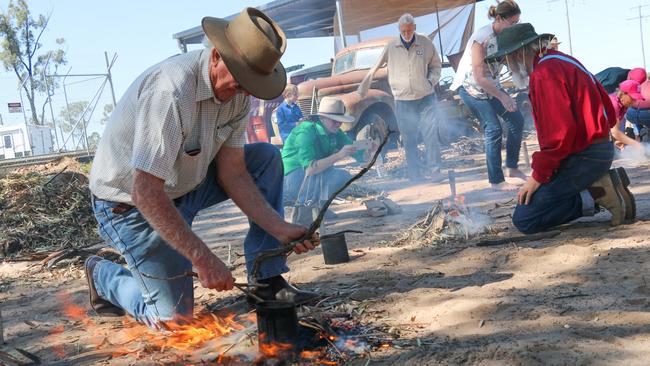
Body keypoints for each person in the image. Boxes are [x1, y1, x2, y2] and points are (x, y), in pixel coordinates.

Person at [84, 8, 320, 329]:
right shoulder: (171, 91)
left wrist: (279, 228)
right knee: (172, 322)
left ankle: (267, 280)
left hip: (184, 188)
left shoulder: (238, 93)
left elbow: (234, 173)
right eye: (242, 81)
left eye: (253, 83)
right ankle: (103, 275)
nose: (246, 92)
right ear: (215, 58)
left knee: (264, 157)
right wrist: (203, 256)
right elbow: (146, 191)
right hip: (130, 206)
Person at [484, 23, 635, 234]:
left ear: (518, 54)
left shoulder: (544, 73)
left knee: (526, 218)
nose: (509, 67)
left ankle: (597, 193)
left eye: (507, 60)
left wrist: (538, 176)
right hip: (598, 150)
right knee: (537, 200)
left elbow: (559, 136)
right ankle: (598, 188)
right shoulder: (563, 60)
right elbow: (608, 112)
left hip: (585, 157)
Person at [450, 0, 527, 191]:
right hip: (471, 87)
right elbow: (479, 76)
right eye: (512, 23)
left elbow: (513, 65)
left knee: (516, 119)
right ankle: (496, 180)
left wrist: (527, 83)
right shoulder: (482, 38)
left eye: (517, 23)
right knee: (493, 128)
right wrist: (502, 96)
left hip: (491, 85)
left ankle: (512, 167)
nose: (514, 27)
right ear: (499, 19)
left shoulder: (507, 37)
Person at [358, 13, 443, 182]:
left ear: (415, 28)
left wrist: (430, 81)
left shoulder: (425, 43)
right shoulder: (391, 46)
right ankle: (415, 174)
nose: (406, 34)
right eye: (403, 31)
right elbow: (375, 67)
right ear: (399, 30)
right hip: (403, 100)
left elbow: (436, 65)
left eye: (409, 30)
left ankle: (435, 171)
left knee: (430, 134)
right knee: (409, 137)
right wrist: (362, 90)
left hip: (425, 96)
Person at [281, 97, 368, 225]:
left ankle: (320, 207)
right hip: (292, 179)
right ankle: (307, 211)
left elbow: (359, 154)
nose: (338, 124)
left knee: (342, 177)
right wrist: (339, 155)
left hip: (311, 176)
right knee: (325, 176)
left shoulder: (335, 132)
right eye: (334, 121)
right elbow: (310, 169)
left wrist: (369, 152)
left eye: (340, 121)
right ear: (322, 118)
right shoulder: (305, 131)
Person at [609, 80, 646, 150]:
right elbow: (615, 132)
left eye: (636, 99)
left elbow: (616, 130)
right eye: (632, 98)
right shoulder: (614, 103)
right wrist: (636, 144)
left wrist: (621, 139)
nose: (634, 101)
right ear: (623, 93)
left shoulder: (623, 106)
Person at [625, 68, 650, 137]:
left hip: (631, 114)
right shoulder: (647, 84)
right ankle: (644, 132)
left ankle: (639, 133)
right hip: (646, 114)